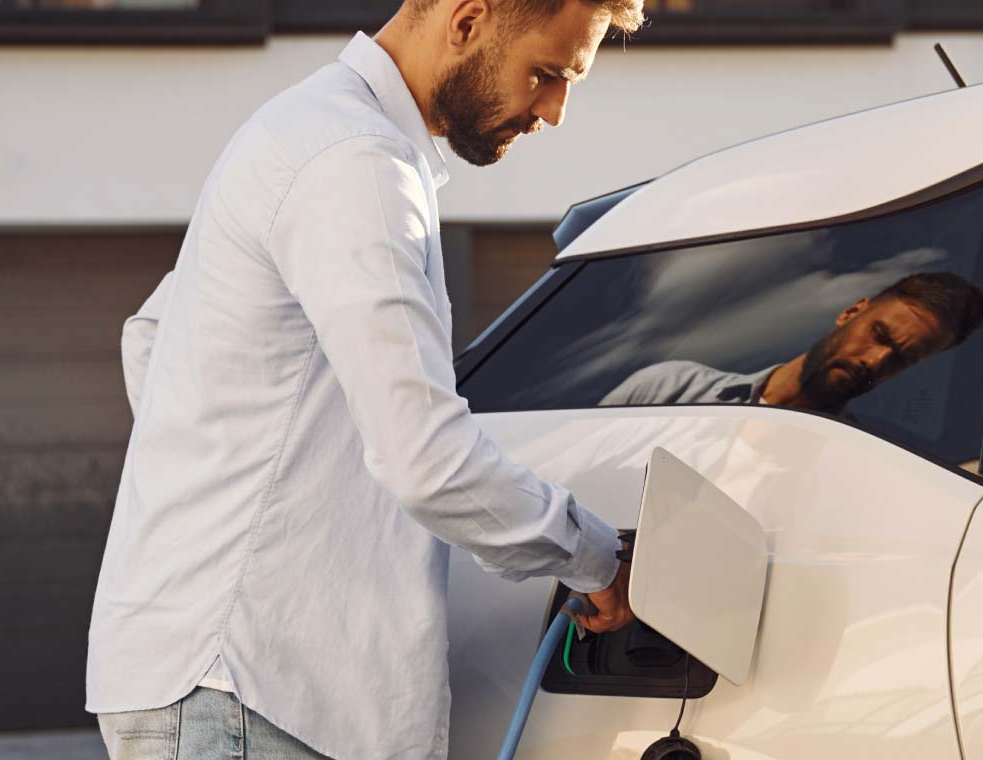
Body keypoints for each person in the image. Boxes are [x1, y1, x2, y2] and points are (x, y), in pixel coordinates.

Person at [86, 0, 642, 757]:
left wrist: (251, 489)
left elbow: (154, 340)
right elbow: (427, 458)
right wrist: (591, 555)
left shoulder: (305, 130)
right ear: (469, 19)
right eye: (546, 74)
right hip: (251, 690)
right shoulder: (357, 163)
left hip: (220, 678)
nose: (554, 111)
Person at [601, 272, 983, 415]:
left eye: (902, 359)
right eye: (880, 335)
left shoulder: (848, 464)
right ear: (851, 312)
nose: (875, 361)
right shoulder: (672, 388)